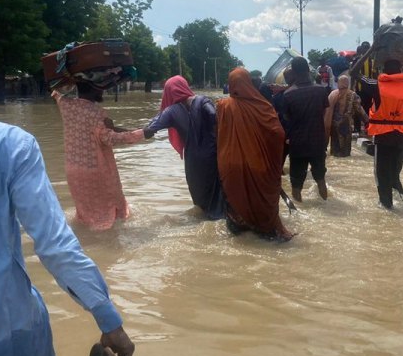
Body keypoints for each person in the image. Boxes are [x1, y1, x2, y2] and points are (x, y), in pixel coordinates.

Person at [0, 119, 135, 356]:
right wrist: (108, 318)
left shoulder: (68, 112)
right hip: (8, 330)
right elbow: (55, 246)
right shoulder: (11, 146)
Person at [52, 83, 144, 230]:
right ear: (94, 88)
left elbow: (55, 92)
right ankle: (109, 247)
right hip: (96, 172)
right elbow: (111, 138)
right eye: (100, 87)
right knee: (111, 219)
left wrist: (68, 85)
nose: (103, 90)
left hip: (73, 171)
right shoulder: (97, 112)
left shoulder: (66, 105)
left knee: (86, 217)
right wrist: (142, 134)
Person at [215, 68, 293, 241]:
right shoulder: (263, 106)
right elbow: (278, 133)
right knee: (263, 198)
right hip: (258, 163)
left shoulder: (222, 105)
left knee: (235, 200)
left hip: (229, 163)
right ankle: (267, 229)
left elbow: (218, 133)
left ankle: (240, 229)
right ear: (249, 83)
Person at [143, 76, 225, 220]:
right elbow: (214, 116)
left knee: (200, 198)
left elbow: (148, 131)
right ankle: (220, 219)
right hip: (213, 156)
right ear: (185, 86)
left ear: (169, 92)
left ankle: (204, 218)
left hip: (192, 160)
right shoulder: (202, 100)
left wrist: (118, 131)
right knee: (218, 193)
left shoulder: (171, 111)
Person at [362, 60, 403, 209]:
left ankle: (386, 207)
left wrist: (369, 52)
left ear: (384, 70)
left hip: (383, 134)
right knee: (394, 173)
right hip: (402, 134)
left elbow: (354, 72)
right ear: (400, 69)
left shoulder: (376, 85)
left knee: (382, 174)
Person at [284, 56, 330, 201]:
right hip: (317, 143)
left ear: (293, 72)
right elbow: (323, 114)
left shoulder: (288, 95)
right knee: (321, 180)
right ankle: (326, 204)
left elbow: (287, 119)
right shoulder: (321, 91)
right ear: (308, 70)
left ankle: (300, 213)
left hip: (298, 145)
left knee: (296, 185)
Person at [324, 75, 369, 157]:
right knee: (345, 154)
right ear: (348, 83)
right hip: (345, 127)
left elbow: (326, 112)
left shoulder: (332, 94)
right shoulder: (352, 95)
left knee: (334, 152)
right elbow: (360, 111)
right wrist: (368, 122)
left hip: (333, 127)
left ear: (338, 83)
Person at [272, 67, 296, 165]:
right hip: (296, 133)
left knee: (281, 159)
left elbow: (274, 116)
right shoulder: (301, 93)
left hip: (284, 132)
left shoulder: (278, 96)